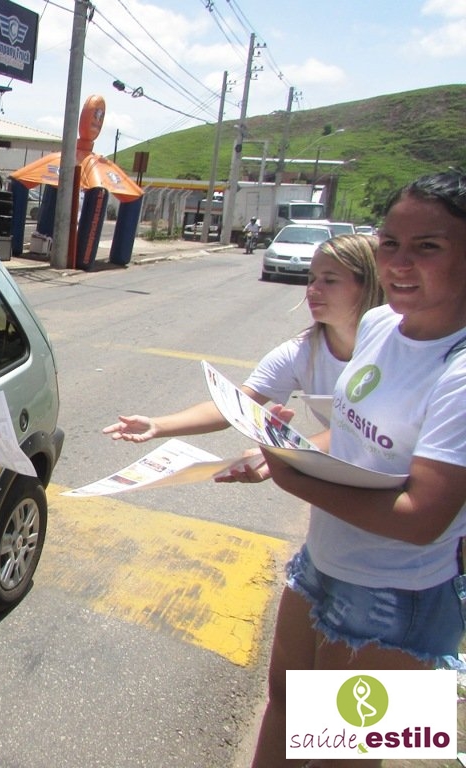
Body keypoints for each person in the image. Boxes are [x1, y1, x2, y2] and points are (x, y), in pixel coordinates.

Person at [250, 170, 466, 766]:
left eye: (427, 246)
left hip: (403, 598)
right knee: (284, 709)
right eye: (390, 243)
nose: (399, 263)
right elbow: (351, 434)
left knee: (342, 754)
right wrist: (289, 444)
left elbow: (422, 518)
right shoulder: (379, 324)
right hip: (323, 563)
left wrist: (294, 477)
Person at [102, 234, 383, 481]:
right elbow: (235, 405)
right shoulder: (301, 352)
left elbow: (362, 433)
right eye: (311, 279)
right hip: (340, 488)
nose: (313, 289)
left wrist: (286, 452)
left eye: (330, 280)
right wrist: (158, 425)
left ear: (369, 284)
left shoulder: (395, 350)